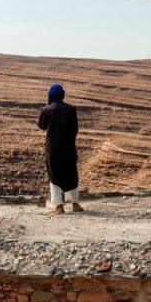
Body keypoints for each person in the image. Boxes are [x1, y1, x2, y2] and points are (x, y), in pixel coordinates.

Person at [38, 84, 84, 214]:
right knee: (72, 175)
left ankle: (59, 207)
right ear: (62, 95)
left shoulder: (47, 110)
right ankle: (75, 204)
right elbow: (75, 129)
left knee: (54, 176)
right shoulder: (71, 109)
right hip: (69, 148)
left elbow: (41, 125)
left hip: (53, 149)